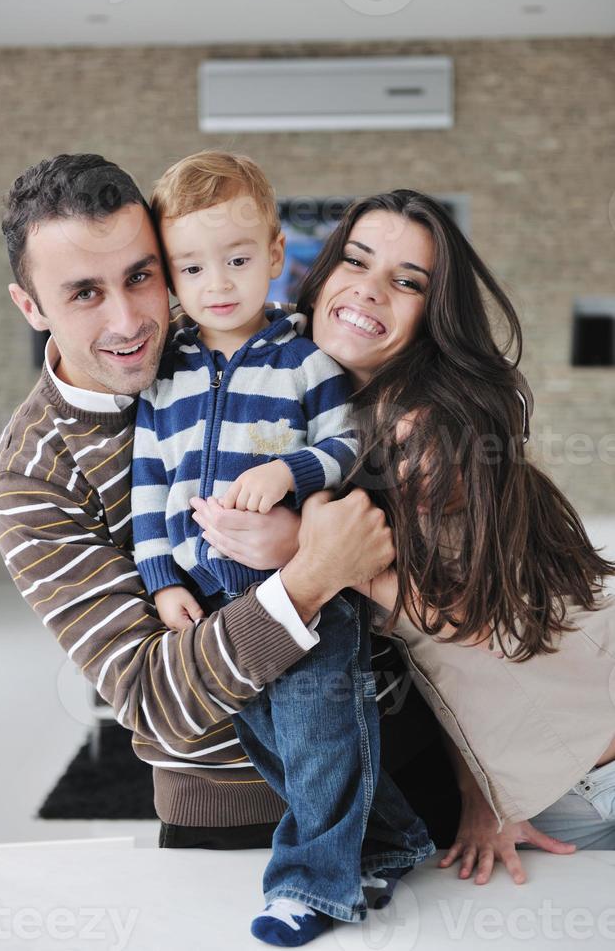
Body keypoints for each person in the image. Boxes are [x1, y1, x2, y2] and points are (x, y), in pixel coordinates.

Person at [0, 154, 400, 858]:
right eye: (84, 293)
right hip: (235, 811)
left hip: (401, 759)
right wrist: (312, 571)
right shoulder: (31, 476)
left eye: (141, 276)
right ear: (31, 307)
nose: (128, 320)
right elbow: (155, 698)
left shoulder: (275, 348)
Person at [196, 187, 615, 885]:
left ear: (432, 312)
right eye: (355, 261)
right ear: (322, 272)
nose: (368, 290)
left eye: (406, 281)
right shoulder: (323, 411)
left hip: (592, 765)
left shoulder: (429, 427)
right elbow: (436, 669)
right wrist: (485, 797)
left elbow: (470, 623)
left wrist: (309, 555)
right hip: (545, 771)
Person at [131, 151, 432, 946]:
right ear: (169, 276)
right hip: (219, 600)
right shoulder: (165, 377)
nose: (218, 283)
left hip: (309, 583)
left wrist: (285, 468)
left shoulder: (306, 358)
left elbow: (341, 447)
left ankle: (308, 886)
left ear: (274, 255)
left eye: (236, 259)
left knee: (317, 732)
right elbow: (149, 484)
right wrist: (162, 576)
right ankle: (393, 837)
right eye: (191, 267)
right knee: (273, 740)